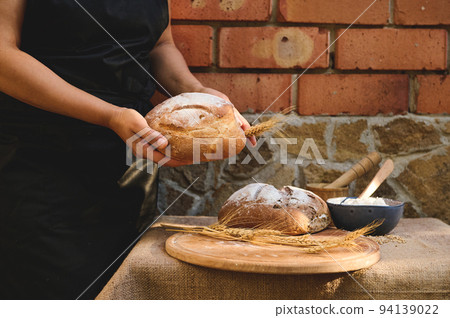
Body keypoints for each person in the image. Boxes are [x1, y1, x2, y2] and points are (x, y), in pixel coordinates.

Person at [0, 0, 254, 299]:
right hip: (38, 158)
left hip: (130, 160)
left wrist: (193, 91)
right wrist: (109, 115)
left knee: (118, 291)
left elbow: (160, 45)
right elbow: (4, 54)